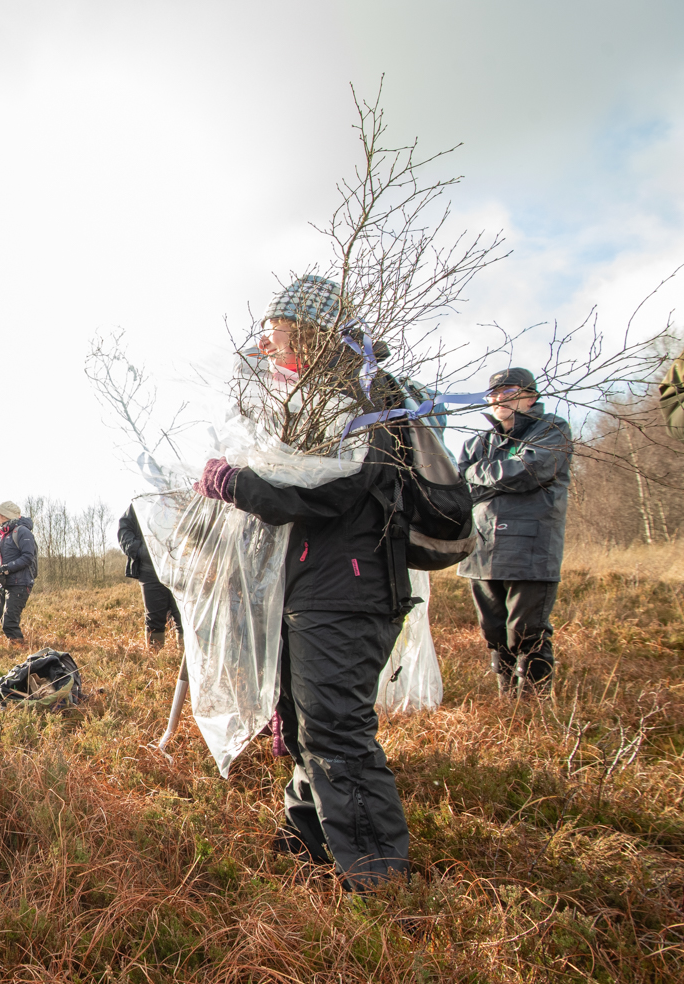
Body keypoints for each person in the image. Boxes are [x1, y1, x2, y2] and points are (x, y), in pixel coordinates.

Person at [193, 275, 413, 890]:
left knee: (335, 728)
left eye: (275, 329)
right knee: (301, 721)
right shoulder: (315, 398)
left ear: (309, 331)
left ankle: (377, 877)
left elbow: (330, 488)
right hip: (311, 589)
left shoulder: (359, 395)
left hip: (346, 589)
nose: (265, 343)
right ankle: (309, 840)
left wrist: (235, 483)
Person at [456, 367, 572, 696]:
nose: (498, 399)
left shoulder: (551, 429)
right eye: (493, 394)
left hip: (531, 547)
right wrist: (490, 479)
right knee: (493, 630)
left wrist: (477, 473)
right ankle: (508, 701)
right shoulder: (477, 442)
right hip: (481, 547)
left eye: (508, 392)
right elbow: (460, 487)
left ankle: (533, 705)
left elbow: (528, 471)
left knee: (526, 630)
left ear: (530, 396)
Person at [117, 504, 181, 648]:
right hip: (150, 568)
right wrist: (141, 551)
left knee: (183, 615)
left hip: (180, 566)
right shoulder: (142, 500)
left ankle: (183, 663)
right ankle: (155, 662)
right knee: (154, 619)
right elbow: (124, 529)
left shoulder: (178, 496)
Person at [0, 502, 37, 646]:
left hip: (20, 583)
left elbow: (27, 557)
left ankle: (19, 651)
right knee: (5, 619)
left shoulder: (22, 532)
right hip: (6, 583)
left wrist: (5, 569)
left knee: (9, 621)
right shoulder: (3, 535)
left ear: (6, 515)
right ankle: (15, 647)